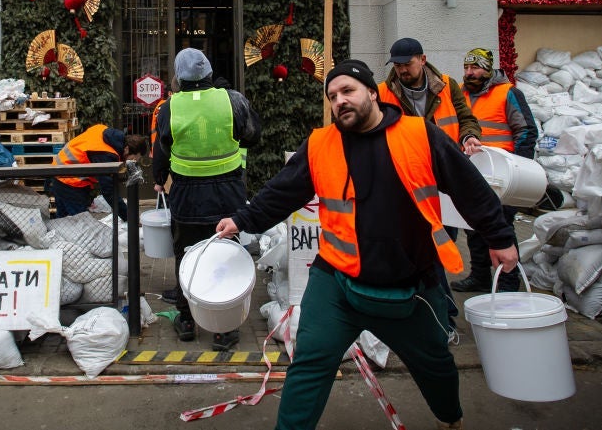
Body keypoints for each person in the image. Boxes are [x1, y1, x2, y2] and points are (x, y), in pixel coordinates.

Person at [215, 60, 518, 430]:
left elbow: (470, 188)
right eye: (332, 96)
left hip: (411, 285)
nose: (339, 101)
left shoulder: (419, 134)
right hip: (336, 282)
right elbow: (281, 193)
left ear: (372, 92)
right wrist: (241, 220)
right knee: (310, 363)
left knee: (436, 365)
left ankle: (449, 419)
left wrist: (500, 238)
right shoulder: (320, 144)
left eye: (348, 91)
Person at [152, 48, 261, 350]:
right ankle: (224, 330)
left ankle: (187, 320)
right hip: (228, 193)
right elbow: (253, 134)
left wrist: (159, 178)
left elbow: (161, 150)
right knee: (226, 252)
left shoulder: (169, 108)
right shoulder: (232, 100)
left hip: (187, 195)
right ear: (210, 72)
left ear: (178, 78)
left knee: (187, 255)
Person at [378, 37, 483, 327]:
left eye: (407, 64)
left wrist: (469, 136)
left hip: (445, 178)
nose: (401, 71)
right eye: (397, 66)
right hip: (409, 179)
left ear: (422, 60)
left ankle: (434, 307)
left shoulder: (447, 85)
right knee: (429, 247)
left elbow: (466, 118)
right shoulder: (384, 92)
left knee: (443, 243)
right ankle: (442, 313)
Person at [452, 48, 539, 293]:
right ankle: (480, 276)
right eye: (467, 68)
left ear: (488, 68)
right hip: (472, 171)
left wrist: (519, 167)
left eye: (475, 68)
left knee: (501, 227)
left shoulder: (508, 93)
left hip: (503, 174)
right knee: (471, 225)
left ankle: (508, 282)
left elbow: (527, 131)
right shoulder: (460, 93)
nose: (470, 73)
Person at [50, 124, 148, 219]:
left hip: (59, 172)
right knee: (79, 223)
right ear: (126, 149)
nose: (131, 162)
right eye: (133, 158)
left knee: (63, 220)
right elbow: (109, 191)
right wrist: (128, 217)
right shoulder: (106, 154)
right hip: (69, 180)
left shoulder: (107, 135)